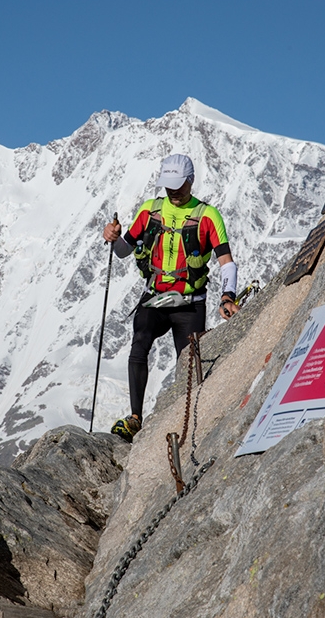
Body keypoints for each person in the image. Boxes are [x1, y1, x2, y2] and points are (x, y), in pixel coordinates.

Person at [103, 154, 239, 442]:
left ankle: (190, 419)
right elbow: (123, 251)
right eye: (168, 186)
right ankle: (135, 418)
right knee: (139, 340)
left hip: (190, 303)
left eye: (178, 185)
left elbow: (226, 262)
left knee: (189, 363)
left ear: (191, 181)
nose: (173, 192)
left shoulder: (208, 216)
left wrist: (228, 295)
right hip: (154, 297)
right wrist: (113, 238)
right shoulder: (150, 211)